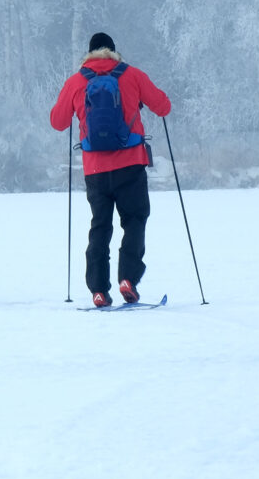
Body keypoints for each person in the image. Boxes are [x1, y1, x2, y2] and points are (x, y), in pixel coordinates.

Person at [49, 33, 172, 307]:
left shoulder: (76, 81)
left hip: (95, 170)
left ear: (89, 54)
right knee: (135, 220)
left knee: (100, 227)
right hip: (130, 164)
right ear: (114, 52)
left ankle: (98, 290)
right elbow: (163, 107)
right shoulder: (132, 75)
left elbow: (57, 122)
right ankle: (127, 279)